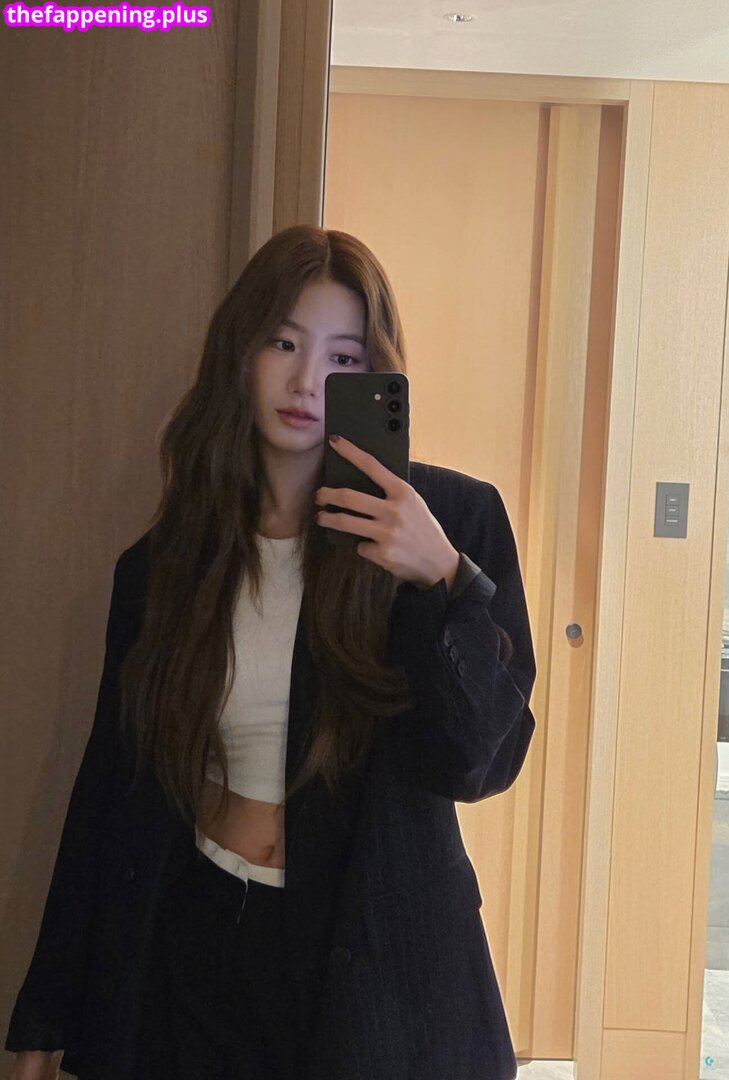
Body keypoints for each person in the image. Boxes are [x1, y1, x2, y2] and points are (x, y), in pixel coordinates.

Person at [6, 225, 538, 1080]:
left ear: (373, 376)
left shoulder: (450, 523)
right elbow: (112, 783)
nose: (305, 382)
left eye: (342, 358)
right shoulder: (167, 564)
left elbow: (482, 763)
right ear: (241, 354)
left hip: (373, 973)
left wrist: (441, 579)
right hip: (198, 952)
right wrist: (48, 1006)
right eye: (283, 343)